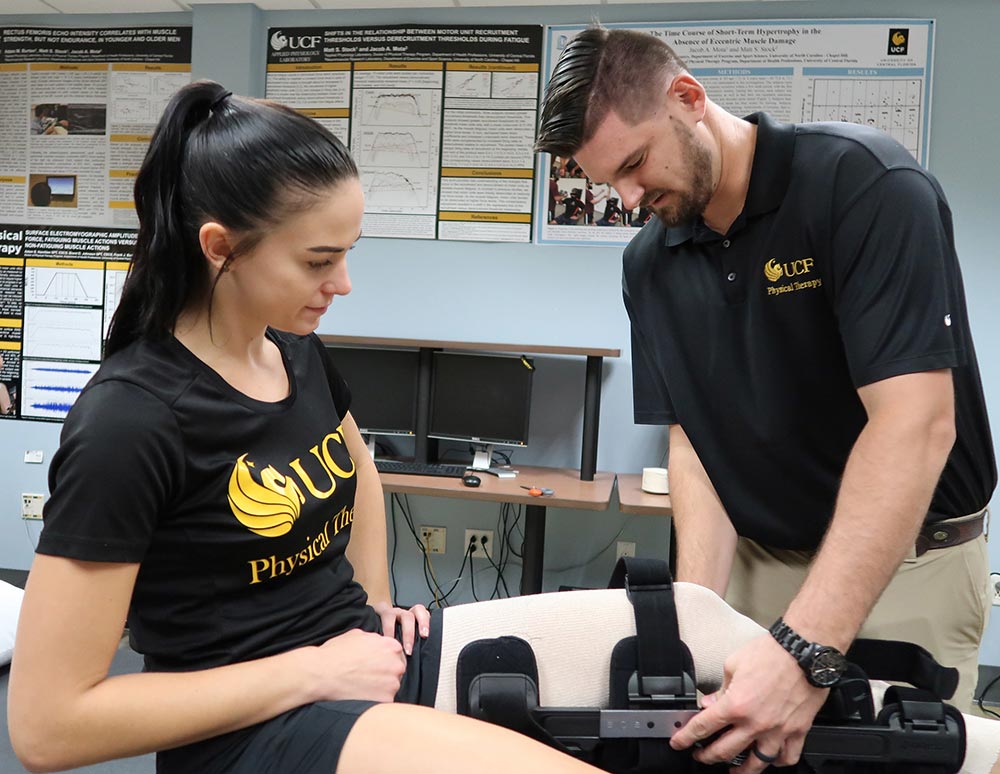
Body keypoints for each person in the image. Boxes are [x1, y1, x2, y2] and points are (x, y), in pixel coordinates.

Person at [7, 81, 607, 774]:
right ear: (220, 246)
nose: (344, 283)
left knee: (692, 624)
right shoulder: (130, 421)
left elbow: (364, 480)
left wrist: (378, 607)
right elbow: (47, 727)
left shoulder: (295, 351)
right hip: (255, 729)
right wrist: (317, 674)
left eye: (347, 253)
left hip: (357, 660)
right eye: (320, 261)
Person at [535, 25, 996, 773]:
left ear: (687, 99)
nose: (625, 198)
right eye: (603, 182)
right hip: (756, 567)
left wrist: (805, 650)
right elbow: (695, 441)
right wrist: (686, 614)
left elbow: (915, 423)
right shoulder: (650, 264)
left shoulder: (862, 185)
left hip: (910, 568)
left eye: (633, 164)